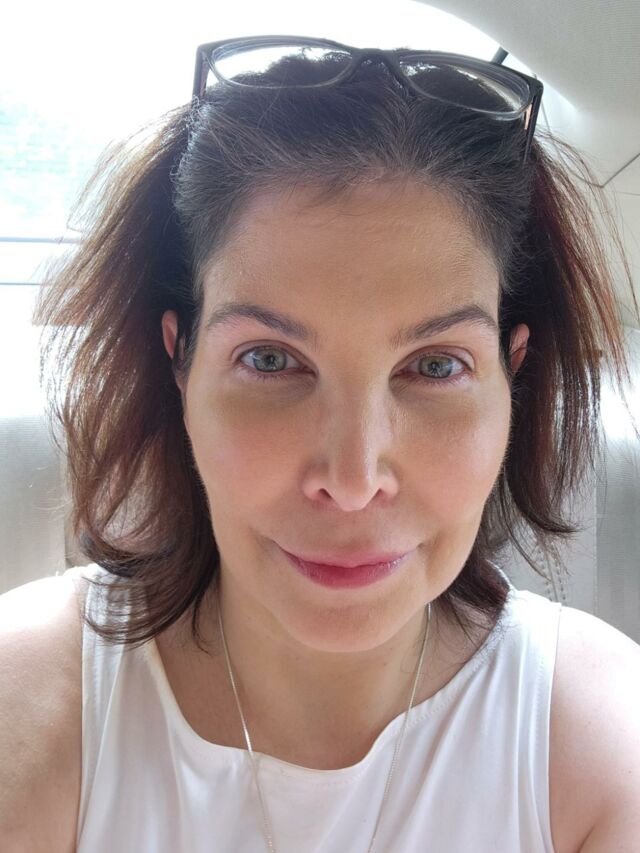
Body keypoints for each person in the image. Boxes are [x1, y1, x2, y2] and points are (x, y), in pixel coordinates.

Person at [3, 35, 640, 853]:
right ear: (180, 363)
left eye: (435, 365)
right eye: (270, 360)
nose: (353, 477)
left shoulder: (603, 751)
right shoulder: (29, 704)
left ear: (510, 378)